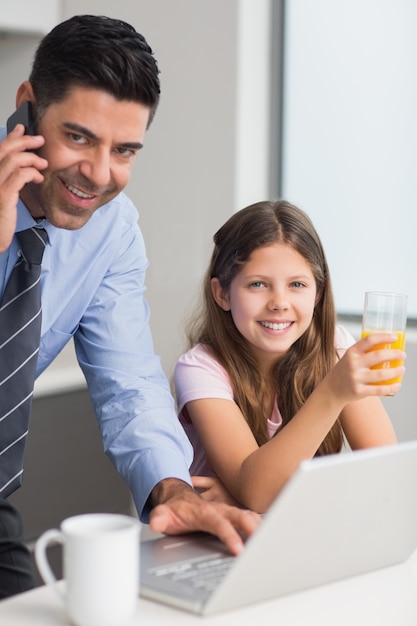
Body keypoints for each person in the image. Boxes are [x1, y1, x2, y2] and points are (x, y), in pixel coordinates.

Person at [0, 14, 259, 598]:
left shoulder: (113, 231)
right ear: (27, 106)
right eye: (79, 137)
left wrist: (173, 489)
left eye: (124, 150)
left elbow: (130, 383)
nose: (98, 174)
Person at [174, 200, 403, 513]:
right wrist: (333, 393)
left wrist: (238, 498)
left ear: (317, 294)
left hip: (295, 536)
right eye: (258, 284)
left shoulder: (335, 347)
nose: (279, 302)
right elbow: (258, 491)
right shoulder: (200, 369)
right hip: (214, 547)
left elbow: (385, 476)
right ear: (223, 294)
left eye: (297, 284)